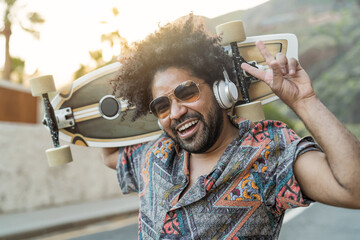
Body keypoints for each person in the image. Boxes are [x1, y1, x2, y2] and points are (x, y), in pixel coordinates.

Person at [103, 14, 360, 239]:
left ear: (220, 89)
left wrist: (305, 102)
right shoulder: (155, 156)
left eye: (187, 92)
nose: (176, 112)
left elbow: (354, 190)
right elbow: (109, 152)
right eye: (162, 106)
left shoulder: (267, 152)